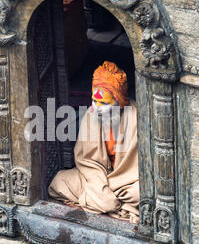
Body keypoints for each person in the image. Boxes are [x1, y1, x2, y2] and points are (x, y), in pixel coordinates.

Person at [48, 61, 140, 223]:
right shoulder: (92, 114)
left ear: (119, 102)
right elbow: (87, 162)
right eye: (94, 101)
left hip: (126, 183)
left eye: (104, 103)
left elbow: (136, 168)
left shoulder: (136, 118)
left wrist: (109, 189)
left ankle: (104, 204)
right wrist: (100, 187)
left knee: (139, 193)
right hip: (98, 180)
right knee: (60, 182)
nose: (97, 108)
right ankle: (116, 207)